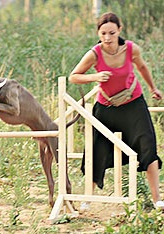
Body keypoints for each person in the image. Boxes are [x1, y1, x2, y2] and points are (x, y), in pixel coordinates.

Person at [69, 12, 163, 209]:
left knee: (148, 146)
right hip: (106, 108)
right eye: (103, 33)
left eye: (111, 33)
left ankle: (157, 199)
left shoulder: (131, 49)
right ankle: (88, 198)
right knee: (97, 151)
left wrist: (153, 88)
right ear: (98, 33)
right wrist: (94, 77)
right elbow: (74, 76)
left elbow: (142, 67)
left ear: (119, 30)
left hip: (133, 105)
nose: (107, 38)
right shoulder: (94, 53)